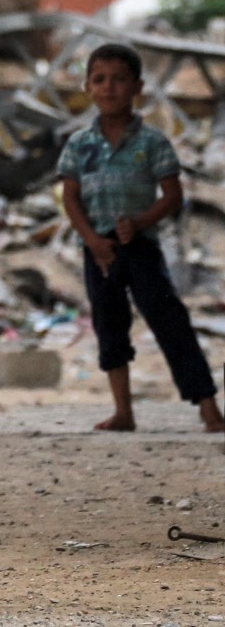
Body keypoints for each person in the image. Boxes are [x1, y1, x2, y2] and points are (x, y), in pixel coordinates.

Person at [56, 42, 224, 434]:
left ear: (138, 87)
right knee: (109, 325)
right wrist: (92, 241)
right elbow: (70, 196)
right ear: (88, 87)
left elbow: (173, 194)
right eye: (99, 80)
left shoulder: (152, 143)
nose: (109, 88)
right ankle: (123, 411)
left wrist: (141, 220)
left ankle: (208, 407)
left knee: (170, 322)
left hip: (140, 246)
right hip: (98, 249)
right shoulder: (80, 145)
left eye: (119, 80)